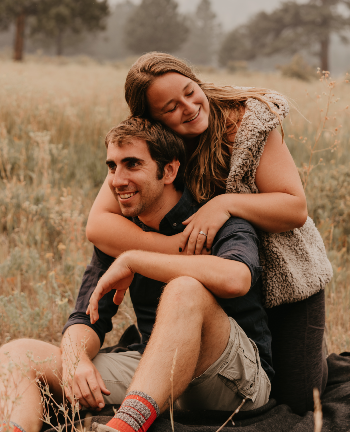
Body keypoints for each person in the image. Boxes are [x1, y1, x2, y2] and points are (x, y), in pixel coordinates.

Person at [85, 52, 330, 414]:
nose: (188, 107)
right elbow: (98, 225)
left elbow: (294, 208)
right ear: (150, 119)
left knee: (298, 399)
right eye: (170, 107)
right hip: (211, 274)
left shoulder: (247, 122)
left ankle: (319, 351)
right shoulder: (150, 143)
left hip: (283, 277)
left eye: (189, 90)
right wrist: (173, 248)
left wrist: (224, 204)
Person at [0, 118, 273, 432]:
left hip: (232, 379)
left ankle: (124, 427)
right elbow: (87, 316)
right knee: (16, 354)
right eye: (112, 167)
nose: (118, 180)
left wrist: (136, 261)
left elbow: (235, 279)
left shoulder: (214, 220)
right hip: (155, 373)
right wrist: (75, 359)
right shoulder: (122, 237)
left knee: (185, 289)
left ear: (168, 171)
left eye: (132, 164)